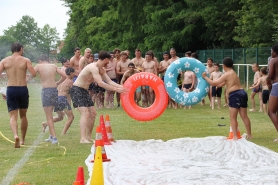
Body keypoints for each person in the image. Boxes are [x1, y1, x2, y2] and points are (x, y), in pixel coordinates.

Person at [70, 51, 126, 143]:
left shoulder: (101, 69)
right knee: (85, 113)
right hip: (76, 89)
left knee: (93, 113)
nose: (108, 63)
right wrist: (116, 90)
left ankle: (88, 137)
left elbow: (109, 81)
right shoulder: (93, 67)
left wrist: (122, 87)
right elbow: (100, 83)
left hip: (84, 90)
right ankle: (82, 138)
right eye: (108, 61)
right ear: (105, 59)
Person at [202, 57, 252, 140]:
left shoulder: (227, 74)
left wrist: (205, 77)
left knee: (233, 117)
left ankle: (235, 136)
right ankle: (250, 135)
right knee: (244, 116)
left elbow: (214, 83)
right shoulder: (234, 73)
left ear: (224, 66)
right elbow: (223, 83)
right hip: (242, 92)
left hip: (235, 94)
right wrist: (219, 85)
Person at [0, 42, 36, 148]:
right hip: (22, 89)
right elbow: (33, 74)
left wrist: (6, 74)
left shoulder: (4, 61)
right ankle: (23, 140)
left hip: (11, 89)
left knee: (13, 116)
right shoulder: (25, 60)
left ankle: (15, 135)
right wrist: (26, 76)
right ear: (21, 49)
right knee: (23, 116)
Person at [34, 55, 67, 144]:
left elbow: (32, 75)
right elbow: (64, 76)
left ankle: (54, 138)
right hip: (54, 90)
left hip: (46, 90)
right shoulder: (53, 66)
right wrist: (57, 83)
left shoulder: (38, 66)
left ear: (40, 60)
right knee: (51, 114)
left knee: (48, 116)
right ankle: (51, 136)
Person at [42, 67, 75, 135]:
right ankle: (63, 133)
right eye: (74, 73)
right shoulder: (70, 82)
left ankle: (45, 124)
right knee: (71, 117)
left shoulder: (62, 81)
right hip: (62, 99)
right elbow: (74, 92)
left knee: (60, 117)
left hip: (56, 99)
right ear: (71, 73)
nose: (75, 74)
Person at [267, 44, 278, 140]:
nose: (271, 53)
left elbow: (270, 75)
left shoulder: (273, 60)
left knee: (271, 111)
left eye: (272, 51)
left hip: (277, 85)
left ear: (275, 51)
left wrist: (267, 81)